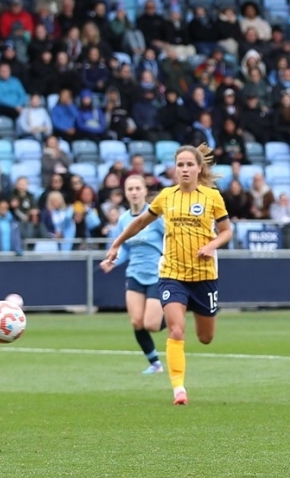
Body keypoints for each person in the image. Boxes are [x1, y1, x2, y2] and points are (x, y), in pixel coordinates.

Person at [104, 144, 233, 406]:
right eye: (180, 165)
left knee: (205, 338)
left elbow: (227, 231)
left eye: (189, 165)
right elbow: (140, 221)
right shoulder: (166, 196)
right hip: (171, 274)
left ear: (198, 168)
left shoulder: (212, 198)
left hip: (204, 276)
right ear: (175, 169)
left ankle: (186, 312)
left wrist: (211, 245)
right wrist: (117, 243)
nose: (184, 169)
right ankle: (179, 389)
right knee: (175, 330)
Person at [100, 174, 167, 375]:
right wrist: (113, 262)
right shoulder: (123, 220)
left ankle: (174, 316)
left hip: (157, 273)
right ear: (126, 194)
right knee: (137, 322)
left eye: (138, 188)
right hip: (135, 274)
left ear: (145, 191)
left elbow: (170, 239)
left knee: (152, 325)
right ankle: (155, 363)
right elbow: (126, 249)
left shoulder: (155, 216)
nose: (135, 192)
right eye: (130, 189)